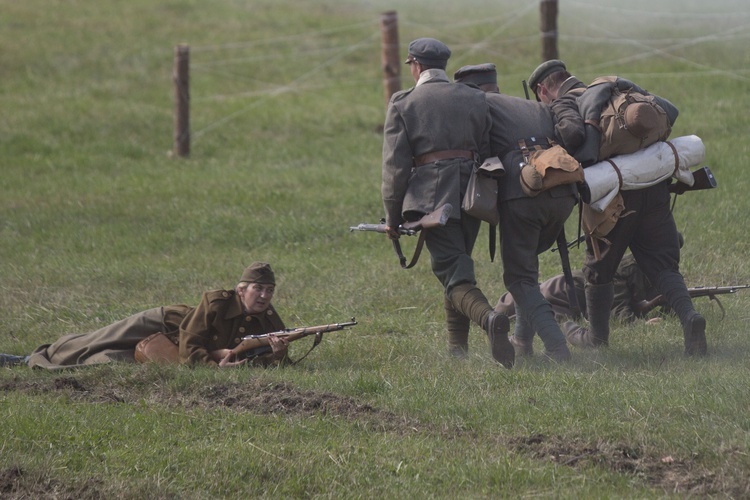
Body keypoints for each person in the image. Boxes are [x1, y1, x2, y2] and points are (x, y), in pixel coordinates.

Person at [527, 59, 707, 356]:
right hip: (655, 186)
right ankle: (689, 317)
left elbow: (572, 137)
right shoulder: (609, 90)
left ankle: (597, 339)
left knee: (598, 270)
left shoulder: (565, 103)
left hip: (614, 198)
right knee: (662, 264)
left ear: (544, 90)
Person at [380, 39, 514, 367]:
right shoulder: (474, 97)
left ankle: (489, 320)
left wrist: (392, 216)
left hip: (431, 199)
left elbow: (396, 168)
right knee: (458, 264)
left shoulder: (403, 102)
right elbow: (484, 147)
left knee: (451, 271)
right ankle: (457, 350)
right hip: (472, 194)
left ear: (415, 65)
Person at [453, 63, 584, 361]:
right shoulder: (531, 105)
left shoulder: (478, 107)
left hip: (523, 194)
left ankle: (557, 347)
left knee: (518, 280)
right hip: (563, 194)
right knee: (527, 270)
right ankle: (522, 341)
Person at [0, 262, 291, 369]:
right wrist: (213, 367)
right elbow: (191, 346)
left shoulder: (270, 322)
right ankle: (28, 358)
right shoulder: (216, 302)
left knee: (107, 362)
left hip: (169, 349)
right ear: (241, 290)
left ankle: (43, 365)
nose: (264, 296)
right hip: (167, 324)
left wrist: (276, 356)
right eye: (258, 289)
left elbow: (265, 360)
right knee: (97, 341)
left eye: (269, 290)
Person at [495, 253, 658, 323]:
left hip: (559, 289)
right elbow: (619, 314)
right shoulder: (617, 278)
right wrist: (642, 324)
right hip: (561, 295)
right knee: (537, 313)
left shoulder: (620, 271)